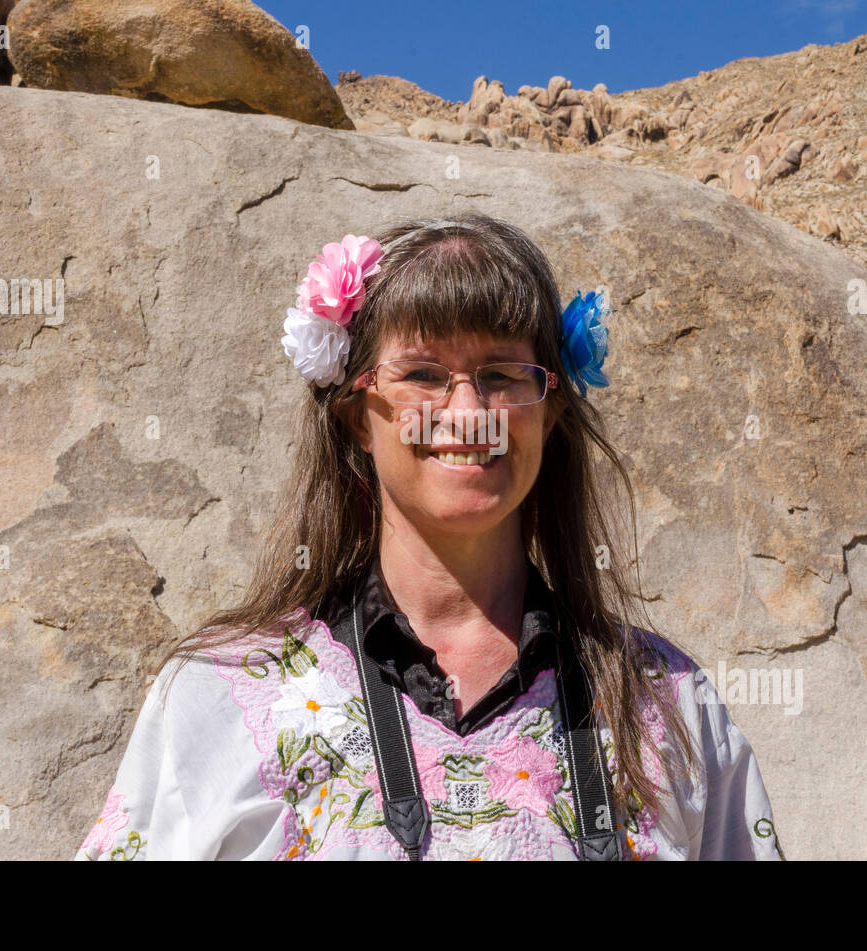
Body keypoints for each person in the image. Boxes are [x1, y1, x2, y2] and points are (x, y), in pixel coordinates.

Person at [73, 214, 784, 861]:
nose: (469, 410)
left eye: (503, 375)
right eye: (422, 374)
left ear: (551, 411)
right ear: (357, 414)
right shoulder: (220, 693)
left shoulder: (666, 703)